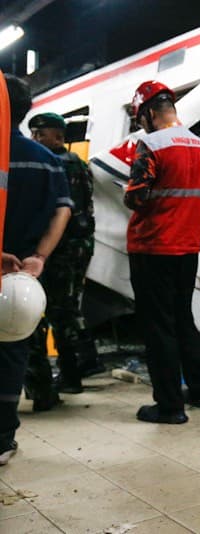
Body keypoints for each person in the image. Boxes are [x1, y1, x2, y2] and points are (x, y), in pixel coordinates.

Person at [125, 80, 200, 424]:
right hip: (188, 247)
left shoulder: (151, 143)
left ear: (148, 113)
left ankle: (169, 407)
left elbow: (137, 195)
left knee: (158, 327)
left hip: (153, 247)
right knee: (183, 319)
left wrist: (126, 194)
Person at [0, 75, 73, 463]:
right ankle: (2, 438)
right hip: (20, 280)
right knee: (13, 352)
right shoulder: (46, 159)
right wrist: (39, 256)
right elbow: (63, 208)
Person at [25, 112, 101, 396]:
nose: (35, 139)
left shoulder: (57, 164)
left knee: (60, 310)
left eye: (39, 133)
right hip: (78, 245)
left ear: (56, 135)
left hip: (63, 248)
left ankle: (72, 373)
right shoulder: (78, 163)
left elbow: (56, 211)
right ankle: (81, 366)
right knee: (67, 307)